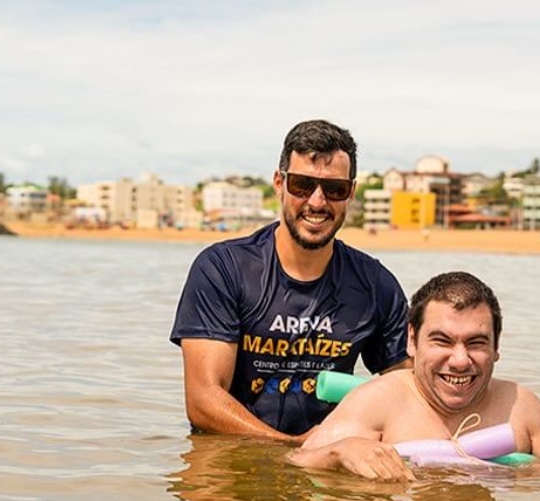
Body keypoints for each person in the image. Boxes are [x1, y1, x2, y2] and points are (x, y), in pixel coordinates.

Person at [169, 119, 412, 443]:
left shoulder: (375, 285)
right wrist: (290, 446)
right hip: (231, 457)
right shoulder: (223, 269)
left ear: (351, 193)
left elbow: (409, 394)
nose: (316, 202)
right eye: (302, 185)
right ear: (279, 182)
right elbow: (202, 402)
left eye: (334, 189)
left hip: (324, 460)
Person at [288, 271, 540, 481]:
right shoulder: (376, 402)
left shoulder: (521, 408)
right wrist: (340, 451)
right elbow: (295, 463)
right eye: (442, 341)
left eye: (476, 343)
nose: (460, 361)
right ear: (412, 340)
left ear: (497, 346)